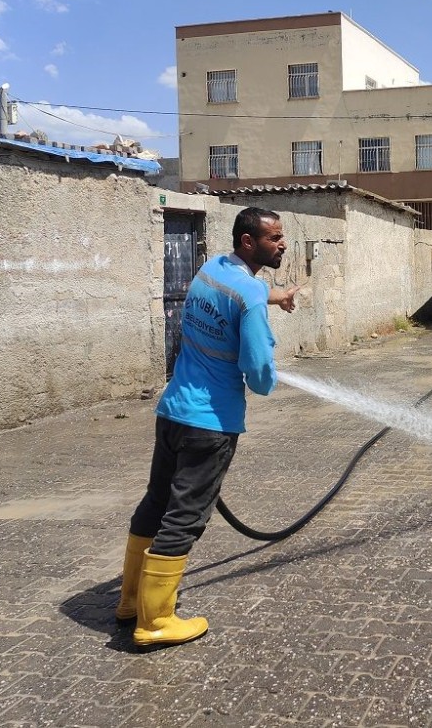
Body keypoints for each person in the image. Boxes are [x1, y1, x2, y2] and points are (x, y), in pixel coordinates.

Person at [115, 206, 299, 649]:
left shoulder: (211, 270)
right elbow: (258, 373)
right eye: (274, 238)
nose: (283, 244)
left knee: (156, 503)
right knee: (185, 517)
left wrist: (277, 296)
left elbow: (239, 293)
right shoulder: (249, 297)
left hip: (173, 411)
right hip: (210, 424)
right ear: (248, 242)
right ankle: (155, 621)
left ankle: (130, 601)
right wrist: (269, 374)